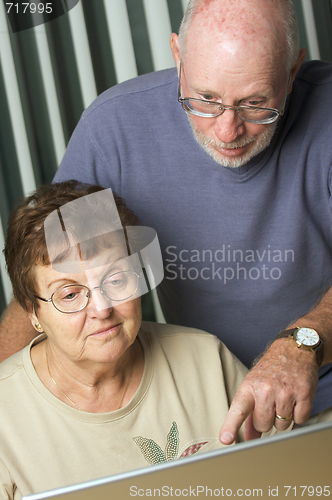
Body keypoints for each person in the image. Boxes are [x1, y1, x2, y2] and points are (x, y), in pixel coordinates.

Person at [1, 0, 332, 443]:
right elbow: (54, 272)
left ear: (292, 72)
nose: (227, 131)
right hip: (202, 403)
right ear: (177, 56)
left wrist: (304, 344)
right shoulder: (115, 130)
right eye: (205, 100)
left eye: (256, 104)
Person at [0, 180, 252, 499]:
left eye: (116, 279)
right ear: (32, 311)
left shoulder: (208, 360)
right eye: (70, 294)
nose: (102, 309)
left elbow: (283, 477)